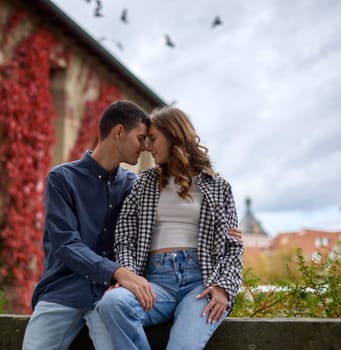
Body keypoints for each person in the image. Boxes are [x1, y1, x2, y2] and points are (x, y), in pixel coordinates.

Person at [97, 106, 245, 350]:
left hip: (202, 283)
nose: (147, 147)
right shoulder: (144, 183)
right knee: (112, 303)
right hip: (155, 282)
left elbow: (233, 245)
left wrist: (223, 288)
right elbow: (125, 237)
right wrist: (131, 277)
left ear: (174, 135)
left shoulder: (218, 187)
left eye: (152, 139)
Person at [22, 100, 157, 350]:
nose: (145, 148)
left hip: (109, 298)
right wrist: (119, 272)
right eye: (140, 138)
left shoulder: (133, 184)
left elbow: (162, 224)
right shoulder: (62, 179)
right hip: (62, 292)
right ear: (118, 132)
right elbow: (65, 244)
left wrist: (222, 233)